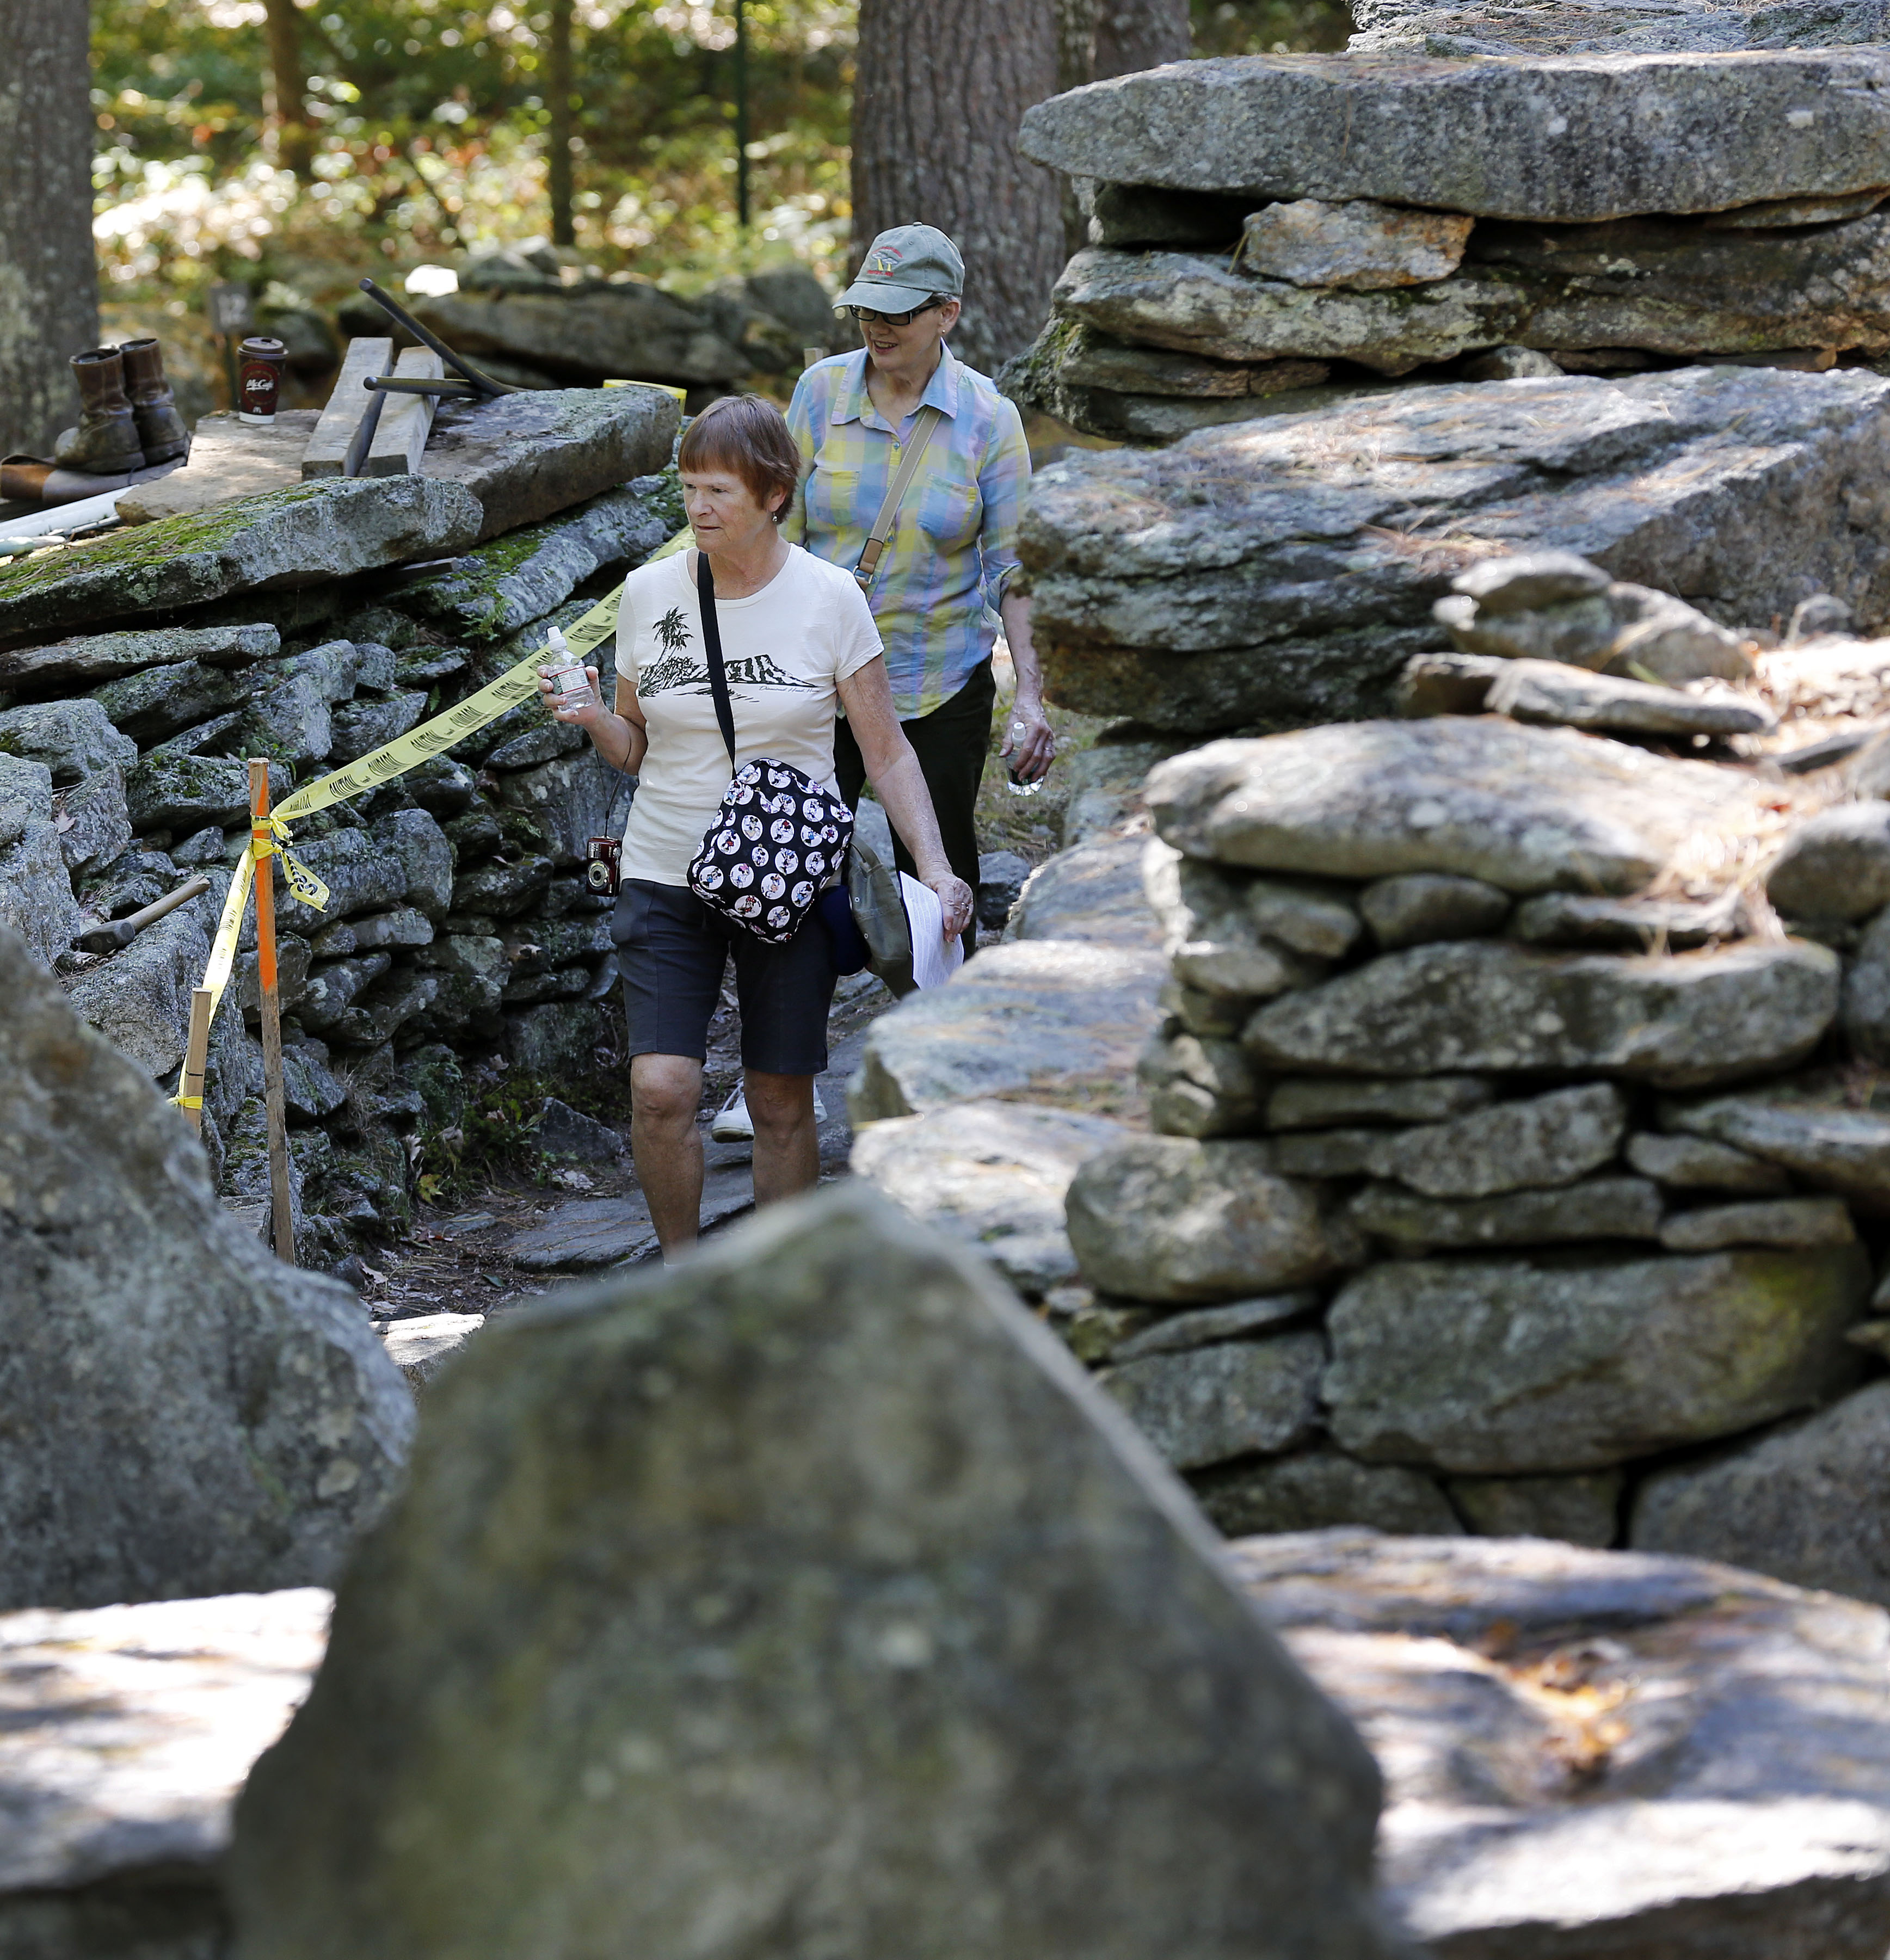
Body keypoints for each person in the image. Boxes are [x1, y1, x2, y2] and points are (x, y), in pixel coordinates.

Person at [541, 395, 972, 1257]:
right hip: (666, 870)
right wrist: (593, 718)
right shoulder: (647, 593)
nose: (698, 509)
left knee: (779, 1097)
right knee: (661, 1088)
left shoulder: (830, 598)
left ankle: (777, 1291)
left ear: (774, 494)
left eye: (719, 493)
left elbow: (885, 753)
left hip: (789, 882)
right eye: (689, 489)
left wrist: (936, 867)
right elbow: (638, 747)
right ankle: (683, 1276)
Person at [784, 223, 1051, 954]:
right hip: (819, 685)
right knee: (798, 877)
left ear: (947, 313)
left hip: (938, 687)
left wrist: (1028, 695)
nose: (877, 326)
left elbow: (1014, 570)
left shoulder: (989, 419)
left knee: (938, 893)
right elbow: (777, 542)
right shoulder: (817, 393)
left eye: (898, 311)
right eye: (868, 308)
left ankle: (937, 1040)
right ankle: (800, 1037)